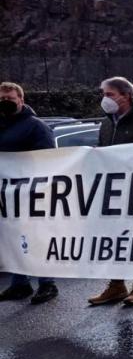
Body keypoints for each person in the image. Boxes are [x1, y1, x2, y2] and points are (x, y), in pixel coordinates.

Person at [84, 77, 133, 307]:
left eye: (109, 94)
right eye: (103, 94)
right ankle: (116, 285)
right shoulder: (107, 123)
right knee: (115, 239)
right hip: (114, 192)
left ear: (126, 95)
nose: (104, 99)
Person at [0, 81, 60, 305]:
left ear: (21, 100)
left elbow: (48, 159)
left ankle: (47, 284)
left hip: (31, 193)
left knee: (36, 238)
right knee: (13, 240)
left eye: (10, 99)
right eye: (2, 99)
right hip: (7, 196)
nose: (5, 102)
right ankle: (20, 284)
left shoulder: (36, 126)